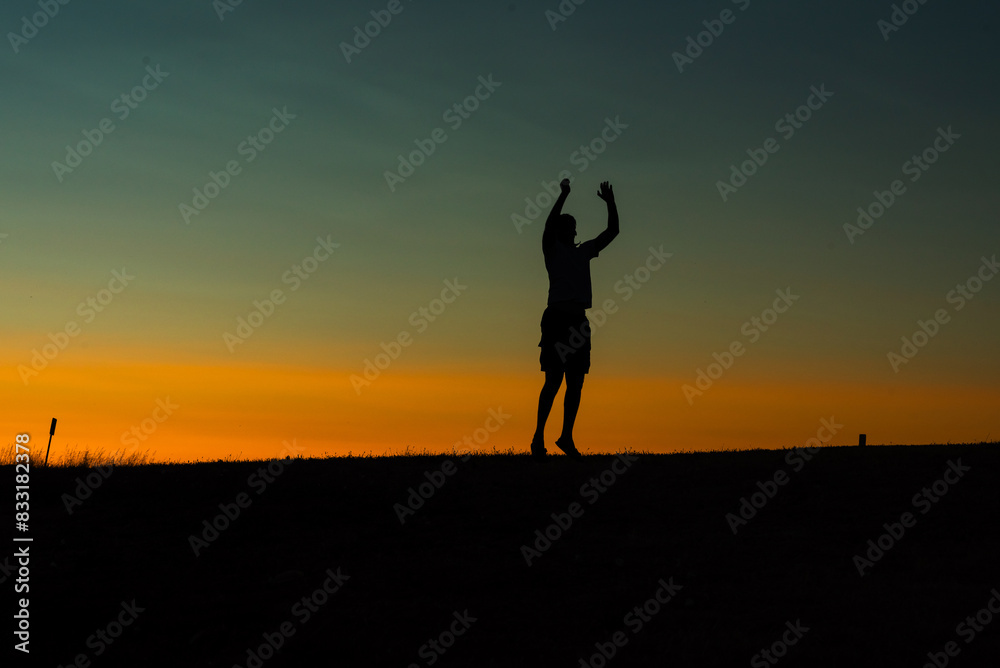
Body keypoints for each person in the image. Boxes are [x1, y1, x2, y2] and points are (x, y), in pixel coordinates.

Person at [531, 179, 619, 460]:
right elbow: (547, 226)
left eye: (574, 228)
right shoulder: (552, 249)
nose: (573, 230)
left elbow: (613, 231)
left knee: (576, 382)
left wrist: (610, 203)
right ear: (560, 231)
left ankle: (566, 436)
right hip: (556, 319)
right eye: (568, 227)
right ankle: (538, 438)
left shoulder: (584, 252)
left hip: (579, 322)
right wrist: (563, 195)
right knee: (554, 380)